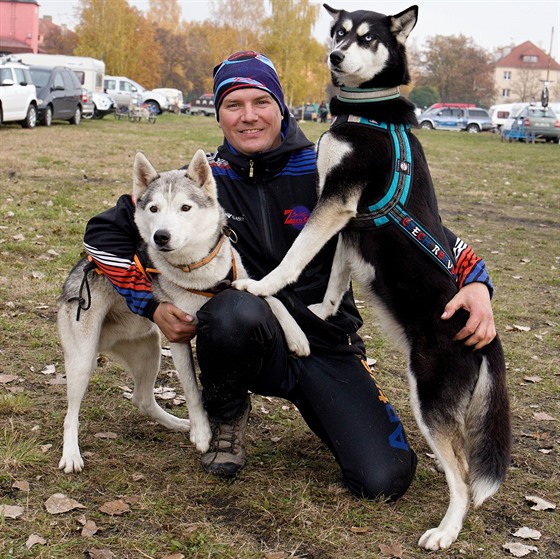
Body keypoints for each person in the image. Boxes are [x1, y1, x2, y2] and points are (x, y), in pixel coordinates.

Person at [83, 51, 496, 501]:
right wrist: (152, 306)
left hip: (327, 343)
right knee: (231, 310)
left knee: (384, 479)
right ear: (217, 114)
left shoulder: (324, 166)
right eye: (233, 105)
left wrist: (475, 279)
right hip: (250, 335)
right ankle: (227, 417)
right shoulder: (201, 185)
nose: (248, 117)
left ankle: (335, 408)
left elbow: (416, 224)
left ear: (280, 106)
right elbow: (103, 232)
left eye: (260, 101)